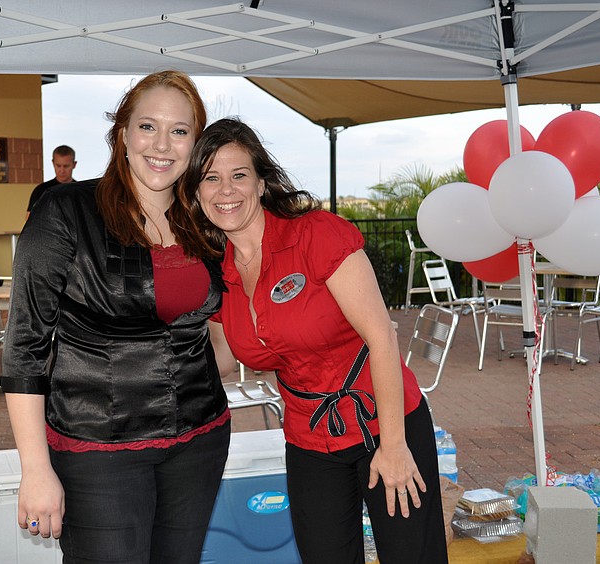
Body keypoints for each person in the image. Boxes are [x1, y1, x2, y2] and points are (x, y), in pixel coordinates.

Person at [182, 118, 448, 564]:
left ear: (261, 184)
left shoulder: (316, 234)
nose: (225, 190)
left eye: (238, 175)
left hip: (384, 422)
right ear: (196, 191)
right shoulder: (216, 270)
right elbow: (222, 358)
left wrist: (394, 447)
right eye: (210, 178)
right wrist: (153, 367)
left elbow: (381, 337)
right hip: (309, 437)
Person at [1, 70, 233, 564]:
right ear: (122, 133)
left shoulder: (205, 218)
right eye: (148, 126)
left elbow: (221, 319)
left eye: (179, 130)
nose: (162, 144)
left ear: (195, 144)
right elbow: (24, 346)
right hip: (98, 451)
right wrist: (35, 469)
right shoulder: (65, 211)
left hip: (200, 440)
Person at [25, 145, 77, 219]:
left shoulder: (79, 191)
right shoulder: (41, 190)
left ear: (74, 164)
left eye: (66, 166)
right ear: (53, 163)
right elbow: (30, 219)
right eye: (58, 166)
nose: (62, 170)